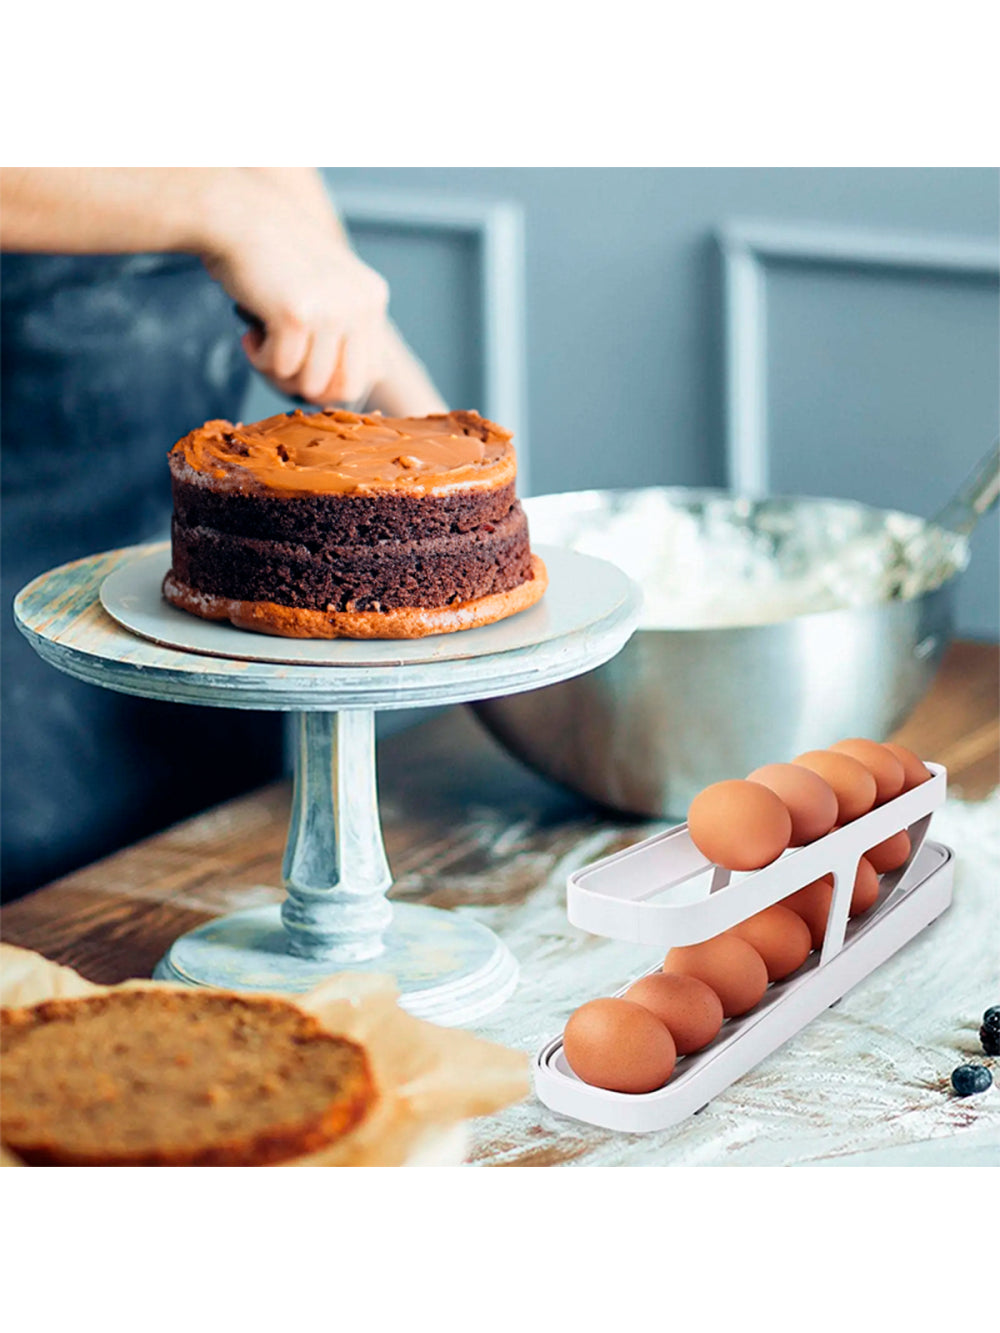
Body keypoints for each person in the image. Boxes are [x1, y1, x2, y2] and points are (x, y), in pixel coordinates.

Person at [1, 168, 447, 899]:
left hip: (204, 582)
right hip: (20, 540)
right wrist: (222, 205)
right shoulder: (220, 207)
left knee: (219, 875)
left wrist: (409, 417)